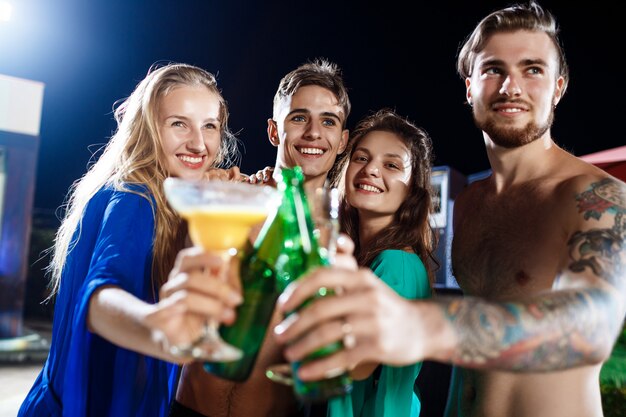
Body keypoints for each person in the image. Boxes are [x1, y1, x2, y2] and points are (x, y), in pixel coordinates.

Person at [272, 2, 626, 417]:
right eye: (494, 69)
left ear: (559, 87)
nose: (511, 86)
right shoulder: (471, 203)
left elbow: (594, 327)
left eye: (533, 69)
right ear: (469, 87)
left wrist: (421, 323)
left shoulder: (598, 197)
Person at [18, 62, 244, 417]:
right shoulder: (134, 199)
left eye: (210, 126)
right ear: (148, 128)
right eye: (178, 124)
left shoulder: (148, 196)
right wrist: (157, 330)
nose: (199, 143)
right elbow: (101, 296)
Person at [171, 58, 351, 417]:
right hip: (190, 407)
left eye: (328, 121)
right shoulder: (230, 198)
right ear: (273, 131)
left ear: (342, 140)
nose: (314, 133)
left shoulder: (344, 236)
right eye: (298, 118)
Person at [326, 109, 435, 417]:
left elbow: (358, 365)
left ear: (413, 189)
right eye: (361, 158)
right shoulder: (367, 256)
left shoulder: (395, 264)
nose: (371, 170)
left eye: (391, 165)